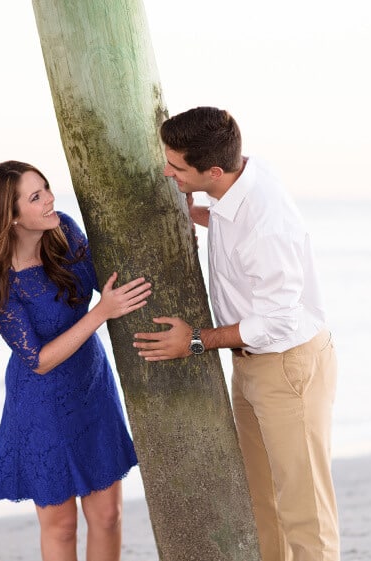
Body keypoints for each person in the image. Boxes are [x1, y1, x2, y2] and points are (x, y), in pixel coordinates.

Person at [132, 107, 339, 561]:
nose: (167, 171)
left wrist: (195, 340)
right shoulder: (242, 176)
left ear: (214, 170)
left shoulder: (265, 224)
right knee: (260, 501)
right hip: (249, 363)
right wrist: (197, 215)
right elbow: (232, 220)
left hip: (288, 366)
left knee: (306, 513)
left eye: (176, 166)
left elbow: (280, 320)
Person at [0, 160, 151, 561]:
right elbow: (39, 361)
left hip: (92, 386)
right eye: (36, 196)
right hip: (41, 403)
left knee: (109, 515)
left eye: (45, 188)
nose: (50, 199)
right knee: (61, 526)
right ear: (10, 217)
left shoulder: (62, 229)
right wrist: (101, 313)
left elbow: (108, 278)